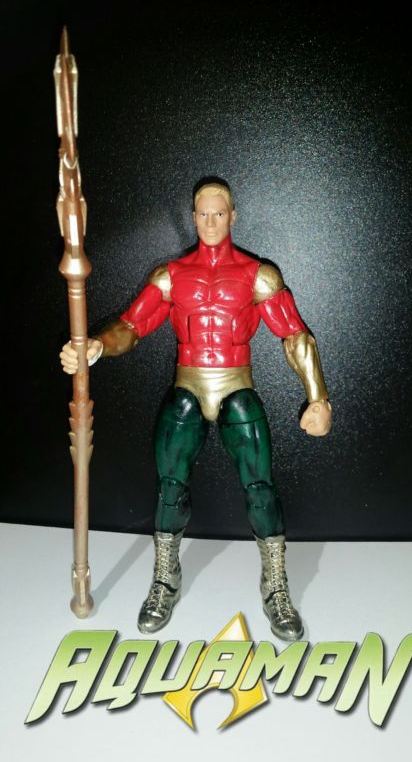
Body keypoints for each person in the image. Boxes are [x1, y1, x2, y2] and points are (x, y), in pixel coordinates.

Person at [60, 181, 332, 641]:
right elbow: (132, 325)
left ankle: (276, 586)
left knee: (261, 489)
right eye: (202, 214)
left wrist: (318, 396)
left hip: (236, 386)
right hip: (187, 386)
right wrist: (97, 347)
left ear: (232, 216)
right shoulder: (171, 275)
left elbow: (295, 336)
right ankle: (165, 579)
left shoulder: (258, 275)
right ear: (193, 217)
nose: (210, 222)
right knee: (169, 488)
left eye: (218, 214)